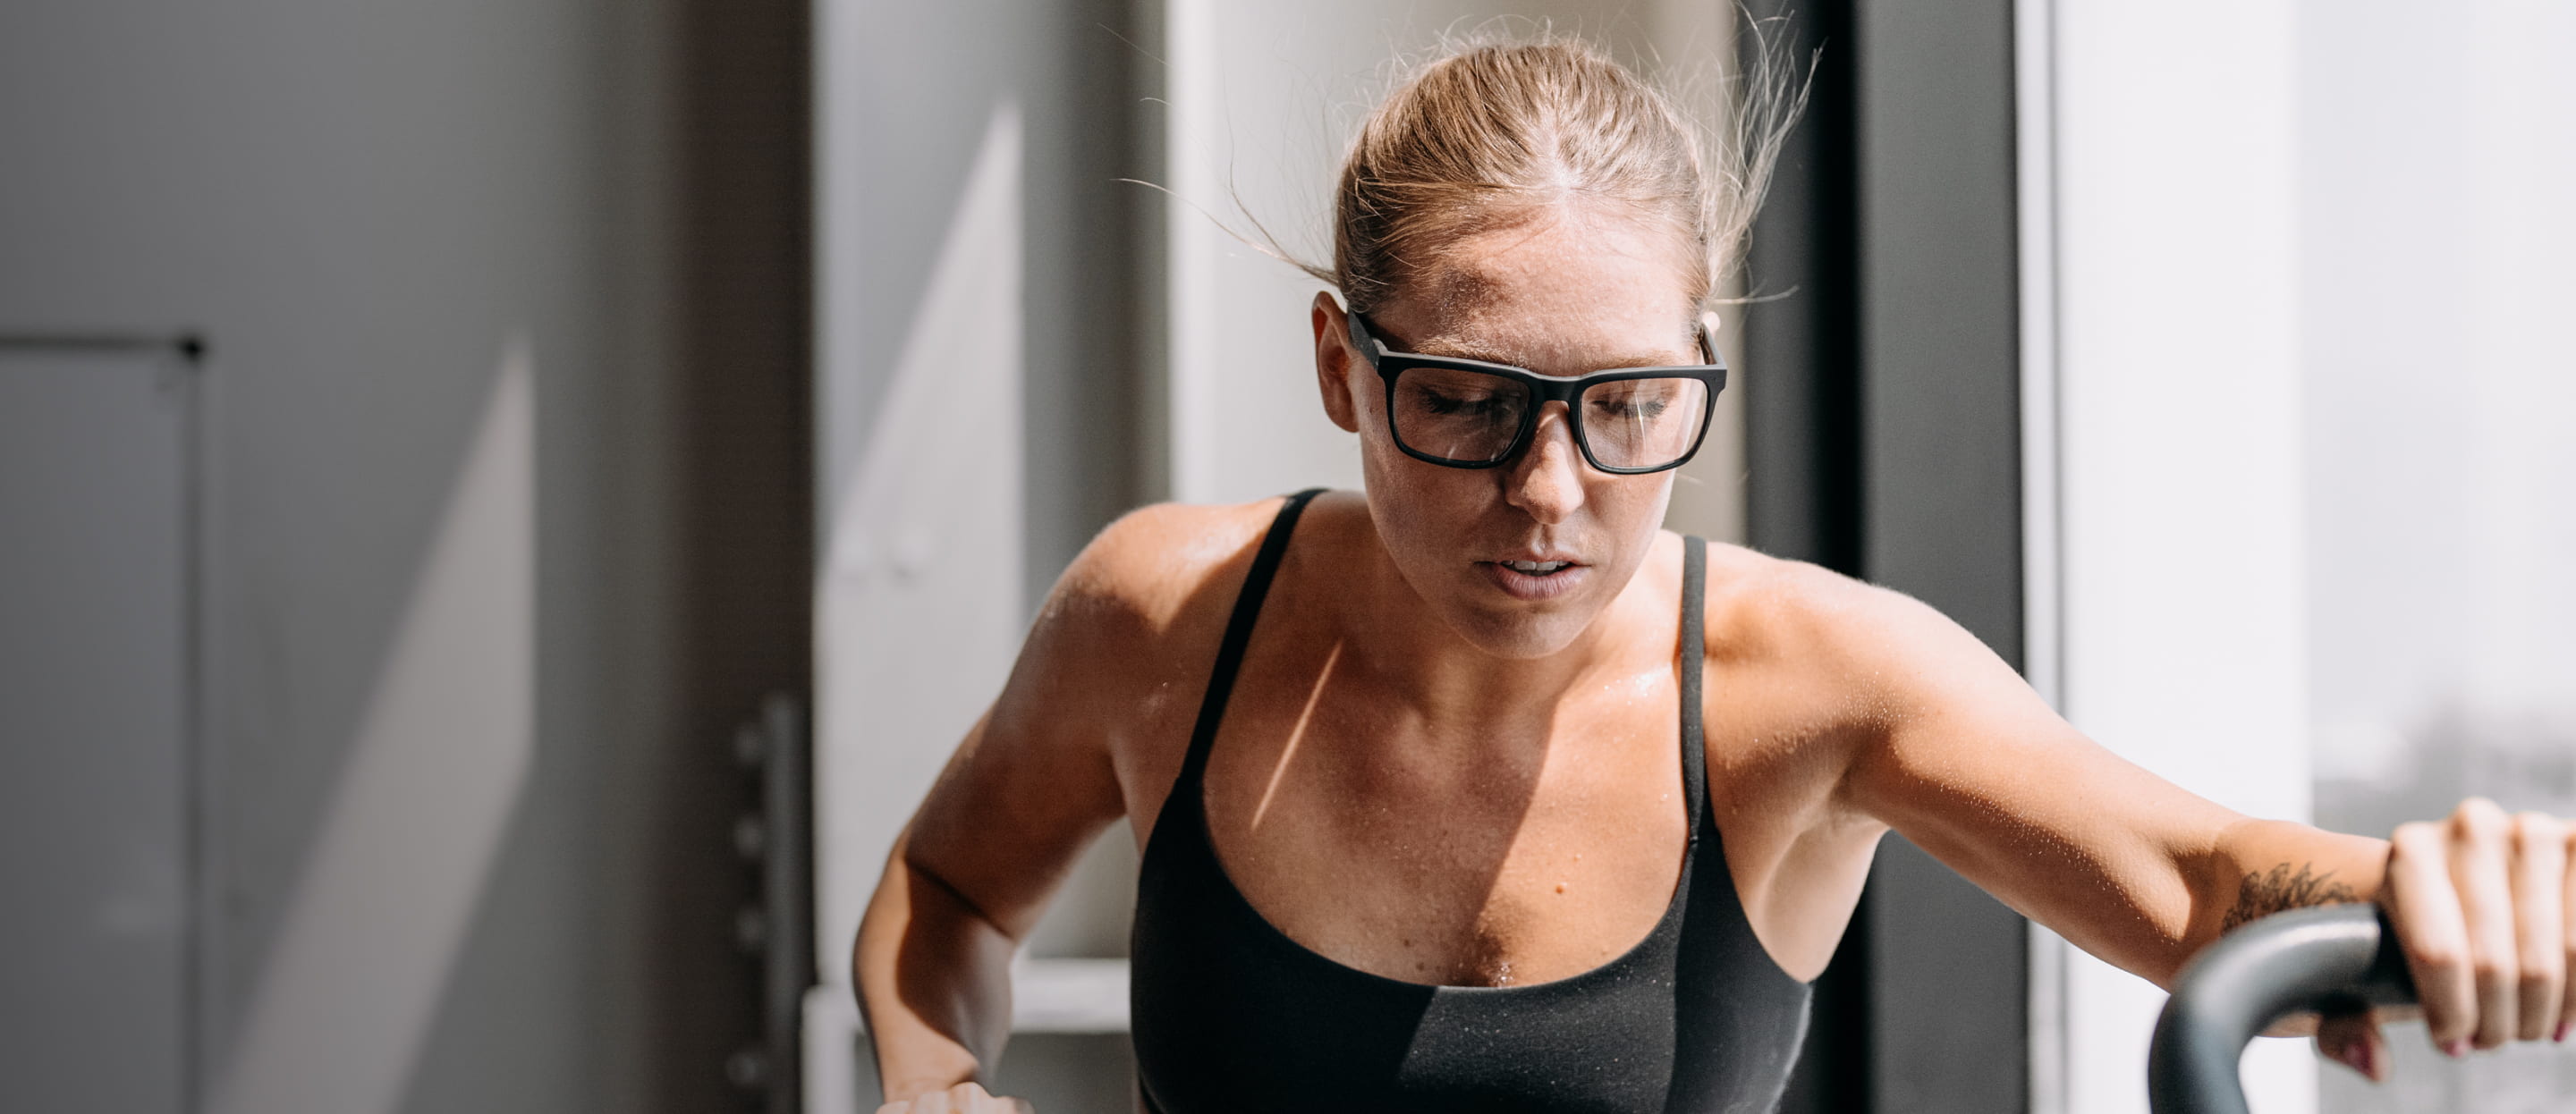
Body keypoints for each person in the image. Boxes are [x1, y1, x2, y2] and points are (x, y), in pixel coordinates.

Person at [853, 35, 2576, 1114]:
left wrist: (2464, 887)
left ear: (1699, 361)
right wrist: (929, 1076)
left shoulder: (1807, 680)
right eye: (1464, 403)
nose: (1551, 494)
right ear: (1338, 365)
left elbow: (2203, 884)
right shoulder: (1165, 617)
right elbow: (949, 890)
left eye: (1630, 408)